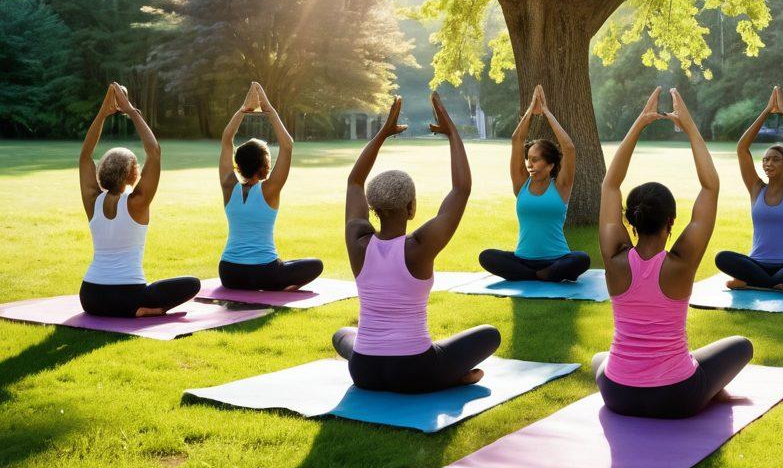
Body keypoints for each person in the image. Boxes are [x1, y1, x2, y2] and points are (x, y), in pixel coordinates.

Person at [592, 88, 753, 419]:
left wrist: (638, 124)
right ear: (671, 221)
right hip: (677, 397)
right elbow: (710, 187)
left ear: (630, 220)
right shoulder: (681, 264)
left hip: (617, 394)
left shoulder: (614, 258)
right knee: (740, 346)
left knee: (600, 360)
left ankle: (680, 374)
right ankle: (709, 388)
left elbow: (609, 185)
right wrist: (690, 126)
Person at [332, 93, 500, 392]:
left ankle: (444, 372)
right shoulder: (419, 246)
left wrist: (382, 133)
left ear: (373, 209)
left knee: (343, 335)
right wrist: (452, 133)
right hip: (415, 371)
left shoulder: (358, 241)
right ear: (411, 208)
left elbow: (354, 182)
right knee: (489, 334)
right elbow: (461, 189)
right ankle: (451, 376)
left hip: (364, 371)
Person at [78, 83, 200, 317]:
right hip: (129, 297)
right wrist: (131, 110)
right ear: (133, 173)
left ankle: (145, 308)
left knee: (177, 286)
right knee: (192, 284)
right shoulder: (138, 202)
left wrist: (103, 112)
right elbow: (154, 151)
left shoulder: (92, 202)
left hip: (91, 297)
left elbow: (85, 156)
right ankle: (145, 309)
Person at [478, 85, 591, 283]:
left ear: (550, 165)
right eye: (528, 159)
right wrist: (531, 110)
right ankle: (541, 275)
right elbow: (517, 139)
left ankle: (536, 275)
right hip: (523, 260)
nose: (530, 164)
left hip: (557, 259)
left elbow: (569, 148)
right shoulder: (521, 184)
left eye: (536, 160)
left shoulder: (561, 187)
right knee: (486, 256)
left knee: (581, 259)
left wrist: (546, 113)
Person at [216, 82, 323, 291]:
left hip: (229, 273)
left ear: (239, 164)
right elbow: (287, 145)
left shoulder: (228, 186)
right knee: (315, 265)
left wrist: (243, 110)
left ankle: (280, 281)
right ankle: (283, 285)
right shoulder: (270, 190)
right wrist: (268, 109)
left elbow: (226, 139)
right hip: (264, 273)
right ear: (265, 167)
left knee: (288, 264)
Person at [715, 86, 783, 293]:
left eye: (775, 159)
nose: (768, 163)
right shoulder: (756, 189)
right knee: (721, 257)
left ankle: (754, 282)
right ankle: (774, 284)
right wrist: (766, 111)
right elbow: (742, 148)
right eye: (765, 160)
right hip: (756, 262)